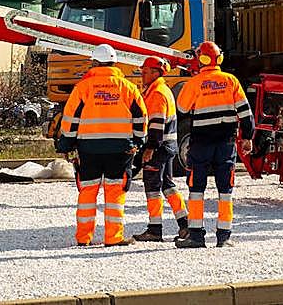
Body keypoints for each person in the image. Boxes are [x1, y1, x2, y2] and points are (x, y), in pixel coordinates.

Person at [56, 43, 147, 247]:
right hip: (121, 149)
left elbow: (70, 120)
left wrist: (66, 145)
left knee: (87, 192)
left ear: (95, 63)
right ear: (115, 63)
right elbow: (141, 118)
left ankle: (83, 238)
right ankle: (113, 238)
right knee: (115, 193)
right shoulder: (127, 87)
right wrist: (138, 141)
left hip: (89, 149)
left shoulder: (83, 87)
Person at [175, 40, 254, 248]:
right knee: (225, 190)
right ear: (219, 58)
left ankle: (195, 235)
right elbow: (245, 112)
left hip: (201, 143)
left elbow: (182, 108)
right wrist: (248, 137)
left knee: (196, 189)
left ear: (201, 59)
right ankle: (224, 236)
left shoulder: (195, 83)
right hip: (226, 143)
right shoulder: (231, 80)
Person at [132, 56, 188, 243]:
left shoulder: (157, 93)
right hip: (167, 146)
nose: (142, 75)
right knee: (168, 186)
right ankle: (185, 224)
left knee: (152, 187)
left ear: (156, 73)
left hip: (159, 147)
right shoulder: (161, 90)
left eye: (145, 72)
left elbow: (156, 124)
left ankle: (155, 230)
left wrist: (150, 148)